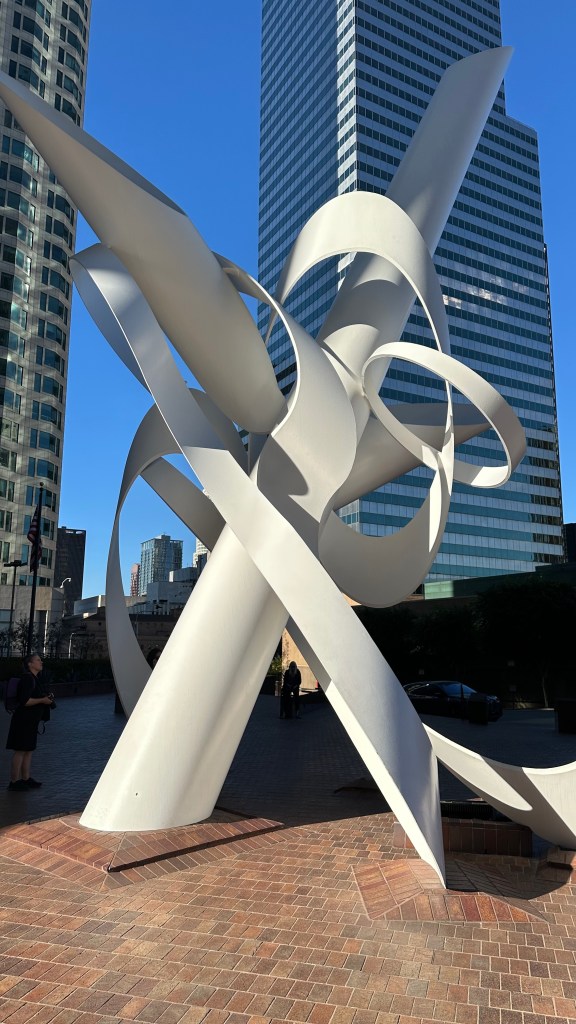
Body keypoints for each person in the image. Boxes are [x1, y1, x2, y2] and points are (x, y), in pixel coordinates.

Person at [6, 653, 54, 791]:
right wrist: (43, 700)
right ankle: (14, 782)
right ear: (30, 664)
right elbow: (25, 701)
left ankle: (26, 778)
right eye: (38, 660)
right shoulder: (27, 678)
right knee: (20, 750)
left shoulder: (34, 678)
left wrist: (46, 698)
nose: (41, 662)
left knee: (28, 750)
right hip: (23, 721)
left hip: (30, 721)